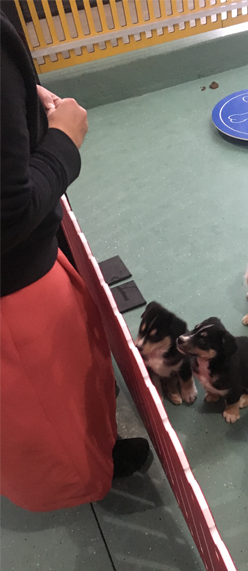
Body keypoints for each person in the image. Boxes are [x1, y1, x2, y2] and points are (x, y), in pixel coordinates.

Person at [0, 9, 150, 512]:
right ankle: (86, 482)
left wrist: (20, 110)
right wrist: (63, 142)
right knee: (52, 422)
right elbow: (8, 214)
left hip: (24, 278)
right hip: (15, 295)